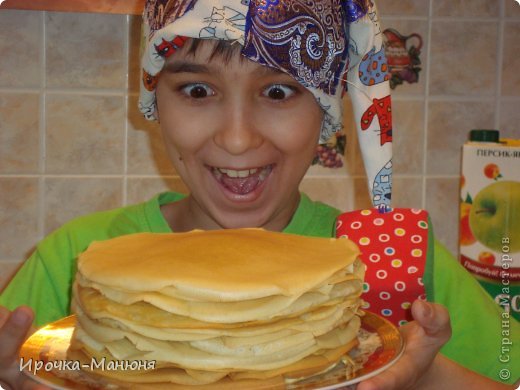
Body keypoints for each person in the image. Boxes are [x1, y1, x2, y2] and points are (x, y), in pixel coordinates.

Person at [0, 1, 518, 389]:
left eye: (278, 91)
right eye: (197, 91)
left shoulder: (397, 264)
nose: (238, 137)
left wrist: (425, 374)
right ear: (153, 98)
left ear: (326, 111)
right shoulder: (75, 259)